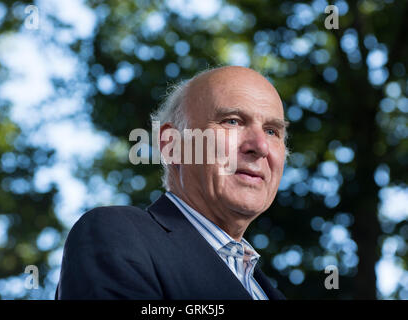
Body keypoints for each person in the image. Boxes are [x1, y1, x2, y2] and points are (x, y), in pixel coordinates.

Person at [55, 66, 288, 300]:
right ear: (173, 145)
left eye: (272, 131)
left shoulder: (267, 290)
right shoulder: (118, 235)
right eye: (232, 121)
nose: (260, 146)